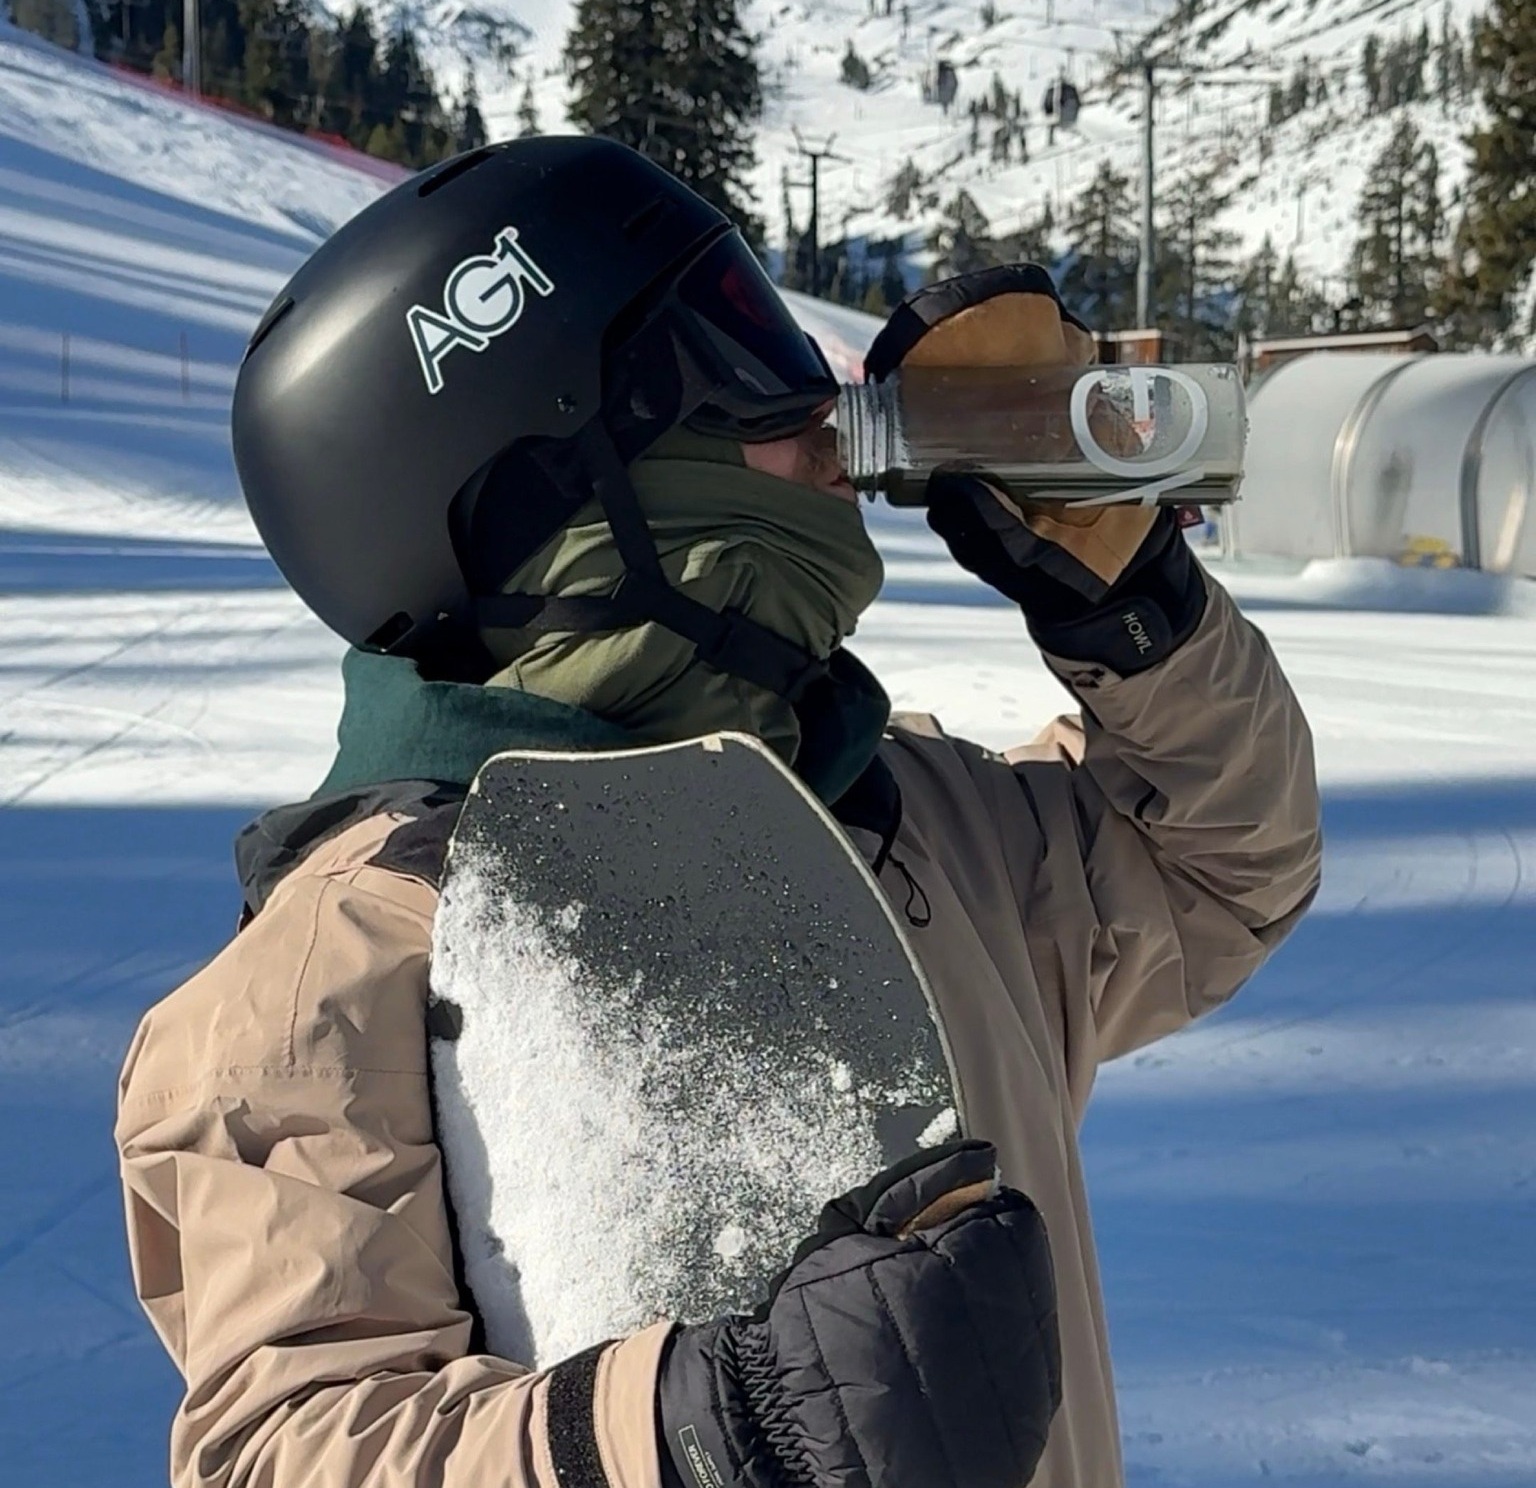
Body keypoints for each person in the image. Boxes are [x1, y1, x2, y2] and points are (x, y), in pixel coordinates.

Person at [115, 138, 1321, 1488]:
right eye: (743, 362)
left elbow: (1222, 871)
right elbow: (290, 1447)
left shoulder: (903, 817)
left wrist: (1129, 604)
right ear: (567, 481)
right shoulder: (342, 968)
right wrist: (709, 1429)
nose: (825, 416)